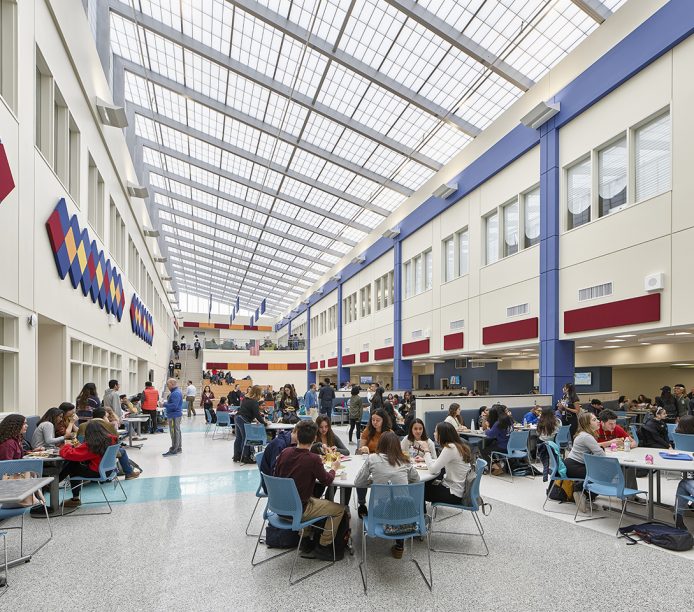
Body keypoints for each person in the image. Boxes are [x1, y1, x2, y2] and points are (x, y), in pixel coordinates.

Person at [274, 420, 344, 561]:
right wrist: (334, 469)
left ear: (297, 436)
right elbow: (327, 481)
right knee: (339, 509)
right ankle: (324, 546)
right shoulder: (312, 459)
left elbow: (277, 476)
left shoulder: (285, 452)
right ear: (314, 439)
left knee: (309, 498)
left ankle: (305, 540)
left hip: (279, 506)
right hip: (299, 509)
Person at [354, 431, 420, 559]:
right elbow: (416, 480)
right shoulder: (404, 460)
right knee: (398, 502)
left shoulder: (372, 458)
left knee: (382, 504)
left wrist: (374, 481)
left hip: (382, 512)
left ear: (380, 444)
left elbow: (358, 482)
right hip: (406, 512)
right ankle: (399, 543)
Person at [59, 420, 119, 507]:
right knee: (74, 465)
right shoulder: (111, 439)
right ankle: (62, 486)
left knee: (72, 464)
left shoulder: (93, 444)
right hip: (109, 470)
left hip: (97, 472)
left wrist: (67, 445)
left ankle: (58, 484)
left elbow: (70, 454)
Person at [76, 408, 140, 480]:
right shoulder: (108, 425)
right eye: (106, 416)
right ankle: (129, 473)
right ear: (103, 417)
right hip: (102, 453)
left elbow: (78, 439)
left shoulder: (82, 425)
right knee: (122, 451)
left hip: (85, 452)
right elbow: (115, 440)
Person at [422, 422, 473, 506]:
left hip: (454, 493)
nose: (434, 433)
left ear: (442, 435)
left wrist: (426, 450)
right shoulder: (458, 446)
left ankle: (421, 516)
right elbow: (441, 462)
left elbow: (433, 470)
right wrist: (427, 459)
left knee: (419, 489)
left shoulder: (450, 448)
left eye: (436, 431)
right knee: (426, 484)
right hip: (459, 489)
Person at [355, 409, 393, 518]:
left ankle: (382, 502)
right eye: (373, 420)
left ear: (384, 420)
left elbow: (393, 452)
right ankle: (362, 503)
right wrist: (363, 449)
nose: (374, 422)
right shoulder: (368, 431)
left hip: (383, 463)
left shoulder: (389, 433)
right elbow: (358, 451)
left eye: (378, 420)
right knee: (362, 477)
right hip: (368, 461)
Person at [565, 411, 605, 512]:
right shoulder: (587, 437)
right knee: (603, 474)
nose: (598, 421)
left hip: (571, 465)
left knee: (599, 472)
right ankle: (580, 491)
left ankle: (584, 496)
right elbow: (601, 455)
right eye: (594, 420)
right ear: (587, 424)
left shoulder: (583, 435)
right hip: (574, 467)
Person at [233, 385, 268, 464]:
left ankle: (237, 456)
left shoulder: (246, 399)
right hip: (243, 419)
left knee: (239, 438)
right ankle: (246, 457)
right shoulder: (254, 402)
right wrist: (264, 423)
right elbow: (257, 414)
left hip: (238, 418)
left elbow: (247, 410)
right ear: (258, 393)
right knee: (246, 438)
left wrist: (254, 419)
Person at [674, 416, 694, 529]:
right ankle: (678, 516)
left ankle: (678, 516)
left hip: (688, 473)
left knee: (684, 483)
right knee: (685, 483)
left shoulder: (679, 439)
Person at [482, 405, 512, 470]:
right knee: (490, 444)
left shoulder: (498, 423)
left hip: (503, 446)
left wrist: (487, 429)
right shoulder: (509, 420)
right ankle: (498, 464)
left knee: (484, 451)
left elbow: (490, 434)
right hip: (511, 445)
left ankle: (495, 467)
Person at [536, 406, 562, 480]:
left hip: (542, 443)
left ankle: (544, 464)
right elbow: (559, 431)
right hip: (553, 443)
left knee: (538, 439)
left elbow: (538, 433)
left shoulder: (541, 422)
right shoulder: (558, 421)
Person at [162, 378, 183, 457]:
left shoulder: (175, 393)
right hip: (175, 415)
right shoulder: (175, 392)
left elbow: (174, 406)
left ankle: (174, 449)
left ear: (172, 384)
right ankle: (178, 448)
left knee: (174, 432)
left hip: (174, 415)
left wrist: (164, 404)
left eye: (168, 385)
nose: (167, 386)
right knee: (177, 431)